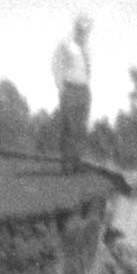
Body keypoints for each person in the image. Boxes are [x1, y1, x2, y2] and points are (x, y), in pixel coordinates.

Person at [52, 14, 93, 174]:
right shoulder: (66, 45)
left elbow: (87, 68)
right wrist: (61, 86)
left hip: (84, 89)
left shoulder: (86, 48)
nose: (84, 34)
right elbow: (56, 65)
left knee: (80, 128)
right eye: (81, 30)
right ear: (75, 29)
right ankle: (67, 165)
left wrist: (86, 84)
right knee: (69, 128)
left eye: (86, 31)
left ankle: (77, 163)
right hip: (69, 89)